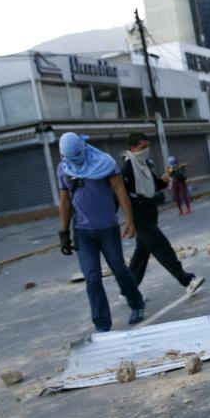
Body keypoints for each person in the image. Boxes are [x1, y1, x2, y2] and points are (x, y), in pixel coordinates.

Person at [56, 132, 145, 332]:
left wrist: (129, 220)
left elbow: (120, 189)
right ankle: (102, 324)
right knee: (92, 278)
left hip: (107, 228)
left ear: (82, 148)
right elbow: (64, 200)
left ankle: (137, 304)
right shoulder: (63, 169)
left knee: (119, 268)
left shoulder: (104, 163)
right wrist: (63, 232)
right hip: (82, 232)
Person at [121, 133, 204, 294]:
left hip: (149, 214)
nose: (147, 150)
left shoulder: (142, 165)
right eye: (143, 147)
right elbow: (120, 195)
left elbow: (155, 185)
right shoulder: (128, 169)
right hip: (140, 217)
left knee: (141, 254)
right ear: (133, 148)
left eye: (148, 147)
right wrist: (128, 221)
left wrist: (165, 179)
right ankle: (186, 280)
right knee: (162, 248)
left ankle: (127, 290)